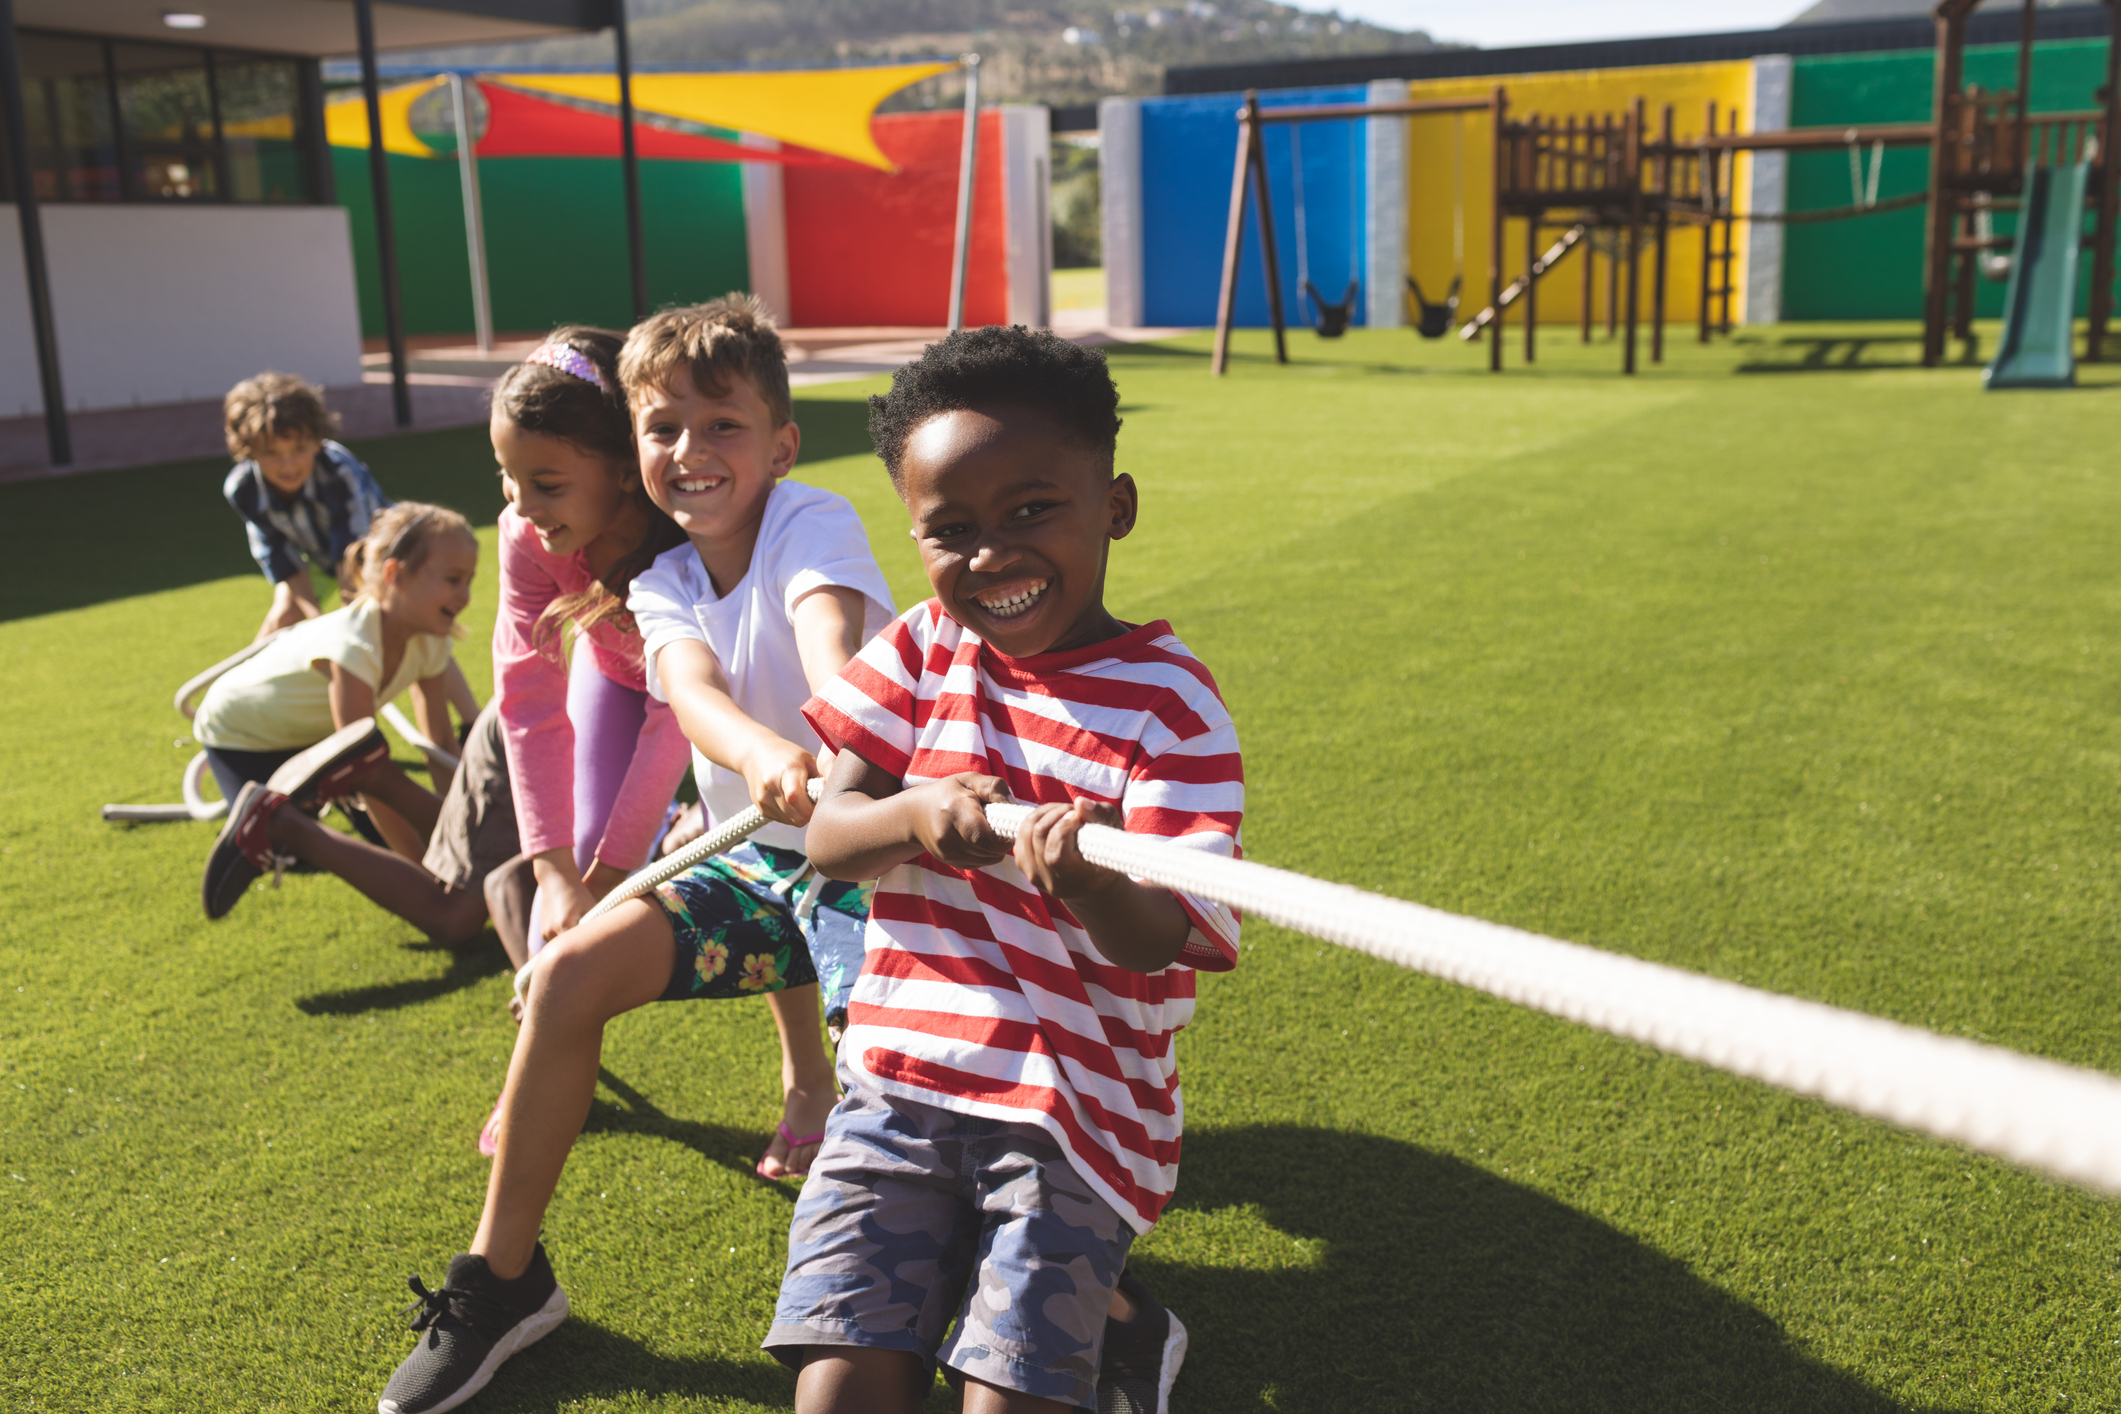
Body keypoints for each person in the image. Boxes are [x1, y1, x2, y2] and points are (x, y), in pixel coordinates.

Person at [375, 296, 896, 1414]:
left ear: (782, 444)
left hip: (871, 862)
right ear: (636, 450)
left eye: (723, 430)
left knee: (896, 1074)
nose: (692, 455)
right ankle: (504, 1283)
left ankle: (1079, 1291)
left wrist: (825, 735)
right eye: (668, 431)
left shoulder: (810, 518)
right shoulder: (657, 580)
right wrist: (746, 764)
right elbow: (689, 696)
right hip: (761, 861)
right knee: (565, 971)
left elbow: (830, 639)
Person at [772, 327, 1241, 1414]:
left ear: (1115, 505)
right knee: (838, 1393)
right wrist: (915, 813)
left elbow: (1167, 933)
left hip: (1077, 1112)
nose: (991, 555)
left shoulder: (1172, 707)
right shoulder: (922, 647)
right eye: (952, 529)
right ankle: (1071, 1307)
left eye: (1032, 510)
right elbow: (829, 833)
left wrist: (1089, 880)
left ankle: (1120, 1324)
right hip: (899, 1086)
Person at [481, 328, 691, 974]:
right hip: (615, 678)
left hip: (714, 699)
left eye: (546, 482)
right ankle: (551, 1000)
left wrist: (609, 876)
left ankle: (802, 1061)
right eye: (507, 477)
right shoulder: (525, 536)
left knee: (753, 854)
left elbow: (676, 717)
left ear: (625, 468)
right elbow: (526, 700)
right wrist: (554, 870)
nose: (522, 505)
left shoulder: (687, 542)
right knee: (582, 852)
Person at [196, 503, 482, 921]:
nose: (465, 596)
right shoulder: (353, 644)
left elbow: (438, 743)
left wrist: (457, 829)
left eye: (469, 581)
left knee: (382, 829)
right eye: (453, 580)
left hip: (314, 739)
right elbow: (363, 772)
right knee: (287, 846)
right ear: (394, 574)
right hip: (243, 738)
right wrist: (428, 870)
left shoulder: (431, 641)